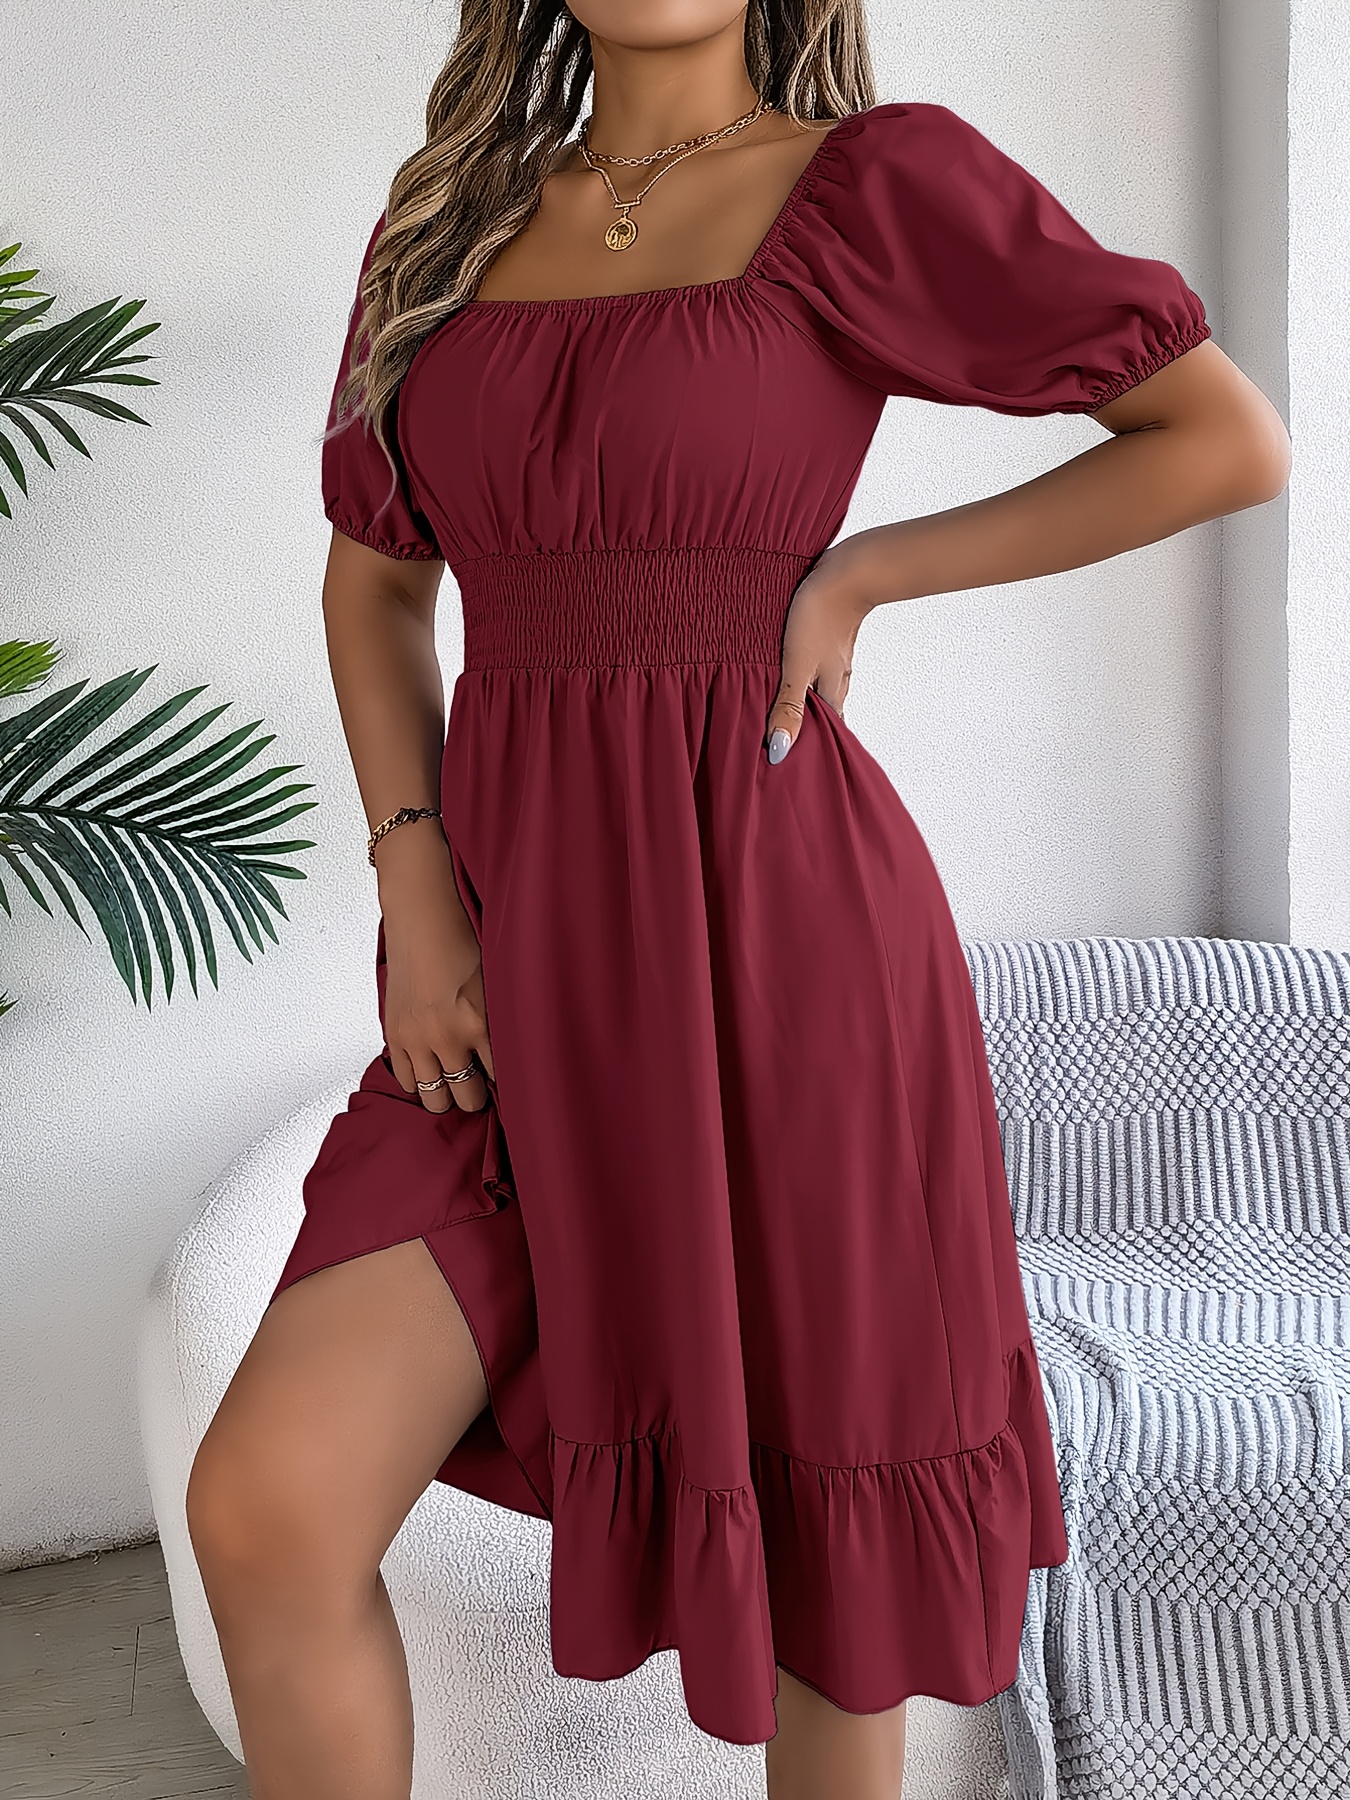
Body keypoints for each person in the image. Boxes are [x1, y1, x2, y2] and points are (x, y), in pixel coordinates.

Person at [183, 2, 1292, 1796]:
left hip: (781, 943)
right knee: (265, 1508)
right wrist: (416, 883)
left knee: (828, 1575)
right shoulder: (445, 218)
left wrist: (866, 573)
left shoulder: (873, 184)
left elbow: (1217, 436)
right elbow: (373, 588)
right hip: (503, 962)